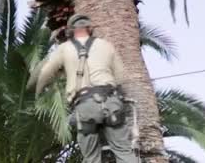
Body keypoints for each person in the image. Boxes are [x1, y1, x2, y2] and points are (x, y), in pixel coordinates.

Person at [33, 14, 137, 163]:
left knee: (91, 157)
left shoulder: (64, 48)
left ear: (70, 30)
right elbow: (121, 78)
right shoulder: (106, 45)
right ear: (90, 28)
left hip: (85, 106)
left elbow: (45, 73)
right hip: (111, 103)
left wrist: (37, 93)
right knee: (124, 151)